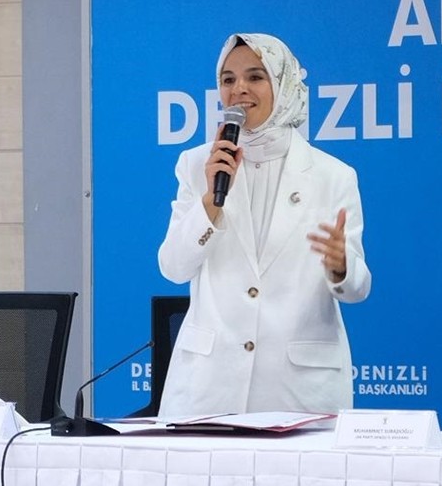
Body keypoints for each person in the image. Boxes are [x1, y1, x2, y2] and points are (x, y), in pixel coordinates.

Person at [156, 33, 372, 417]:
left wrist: (341, 265)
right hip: (208, 390)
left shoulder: (333, 176)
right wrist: (209, 203)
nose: (239, 89)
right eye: (228, 79)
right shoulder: (196, 165)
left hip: (298, 393)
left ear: (283, 84)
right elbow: (173, 268)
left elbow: (357, 289)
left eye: (255, 77)